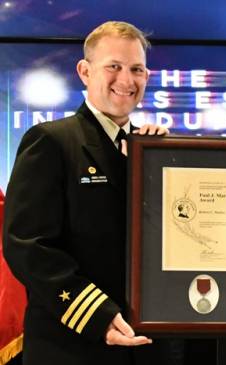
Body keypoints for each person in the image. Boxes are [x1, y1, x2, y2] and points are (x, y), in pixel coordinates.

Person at [2, 21, 168, 365]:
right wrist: (97, 314)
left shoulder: (154, 150)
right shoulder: (51, 142)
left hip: (149, 346)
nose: (126, 80)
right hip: (73, 346)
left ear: (147, 76)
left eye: (136, 69)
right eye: (114, 67)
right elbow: (27, 246)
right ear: (84, 71)